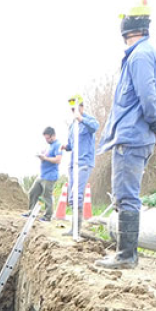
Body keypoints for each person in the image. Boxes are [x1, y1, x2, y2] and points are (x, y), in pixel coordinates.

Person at [95, 0, 156, 270]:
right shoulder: (146, 53)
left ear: (127, 28)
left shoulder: (139, 56)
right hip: (137, 135)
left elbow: (148, 97)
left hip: (131, 138)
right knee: (125, 194)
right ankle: (125, 253)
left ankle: (126, 255)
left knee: (126, 196)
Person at [61, 95, 99, 225]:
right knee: (72, 197)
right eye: (72, 109)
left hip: (84, 162)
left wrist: (81, 119)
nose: (74, 111)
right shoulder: (72, 126)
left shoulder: (88, 120)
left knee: (77, 194)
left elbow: (95, 127)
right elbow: (71, 145)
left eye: (76, 108)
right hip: (73, 163)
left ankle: (77, 229)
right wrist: (65, 146)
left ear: (81, 107)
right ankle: (74, 228)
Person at [26, 127, 63, 221]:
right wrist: (41, 156)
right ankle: (31, 212)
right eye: (45, 138)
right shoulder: (49, 146)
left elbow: (58, 160)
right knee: (33, 192)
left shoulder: (58, 145)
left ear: (53, 136)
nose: (46, 140)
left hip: (50, 175)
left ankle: (47, 216)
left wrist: (45, 158)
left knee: (47, 196)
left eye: (48, 138)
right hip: (42, 174)